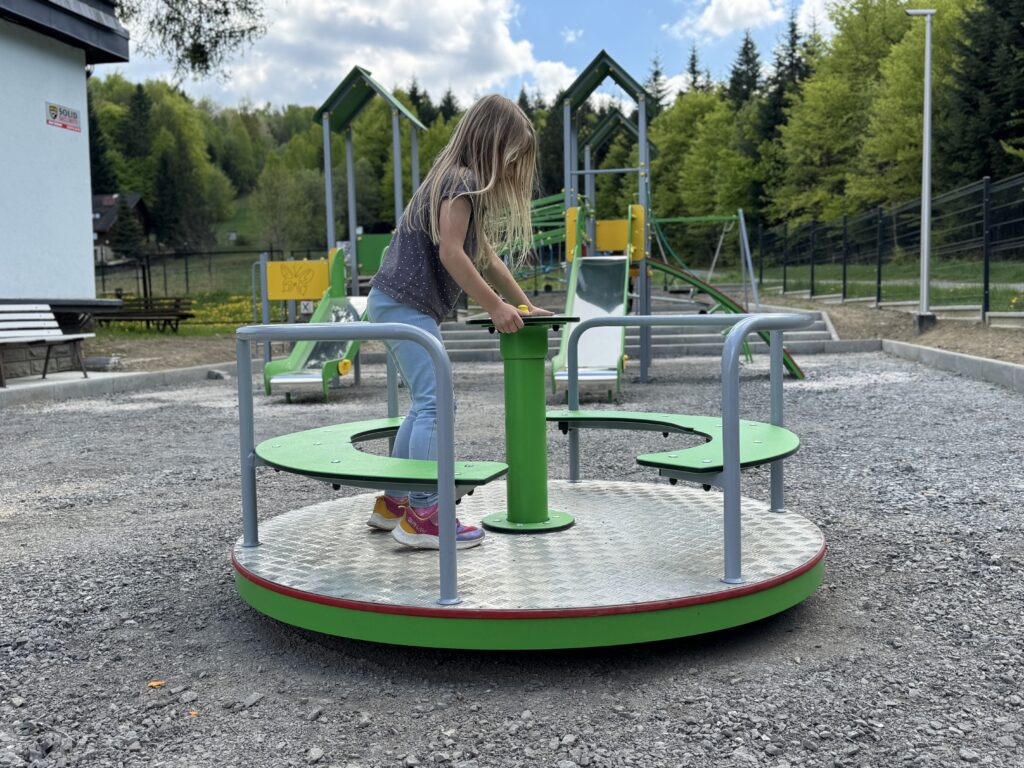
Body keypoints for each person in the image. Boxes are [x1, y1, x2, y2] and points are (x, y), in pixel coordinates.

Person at [366, 94, 551, 550]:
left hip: (394, 302)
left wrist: (523, 304)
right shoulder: (461, 181)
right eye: (511, 157)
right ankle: (426, 516)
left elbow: (485, 257)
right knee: (437, 404)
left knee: (423, 404)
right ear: (492, 144)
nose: (512, 169)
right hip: (403, 303)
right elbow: (452, 253)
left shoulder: (454, 181)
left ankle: (394, 504)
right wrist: (495, 307)